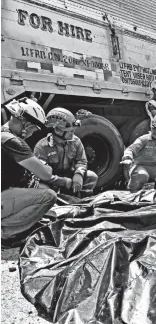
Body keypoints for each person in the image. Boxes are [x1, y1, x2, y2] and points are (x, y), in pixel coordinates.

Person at [1, 97, 57, 240]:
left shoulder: (3, 134)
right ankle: (5, 232)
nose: (34, 133)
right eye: (35, 129)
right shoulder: (13, 141)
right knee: (49, 196)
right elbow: (46, 174)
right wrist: (44, 164)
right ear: (26, 124)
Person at [34, 108, 98, 197]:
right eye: (70, 131)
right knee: (41, 188)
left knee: (92, 176)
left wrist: (78, 174)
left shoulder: (76, 141)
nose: (73, 133)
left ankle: (81, 201)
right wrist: (63, 181)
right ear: (58, 130)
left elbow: (82, 161)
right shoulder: (42, 147)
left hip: (70, 177)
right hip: (51, 180)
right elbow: (41, 174)